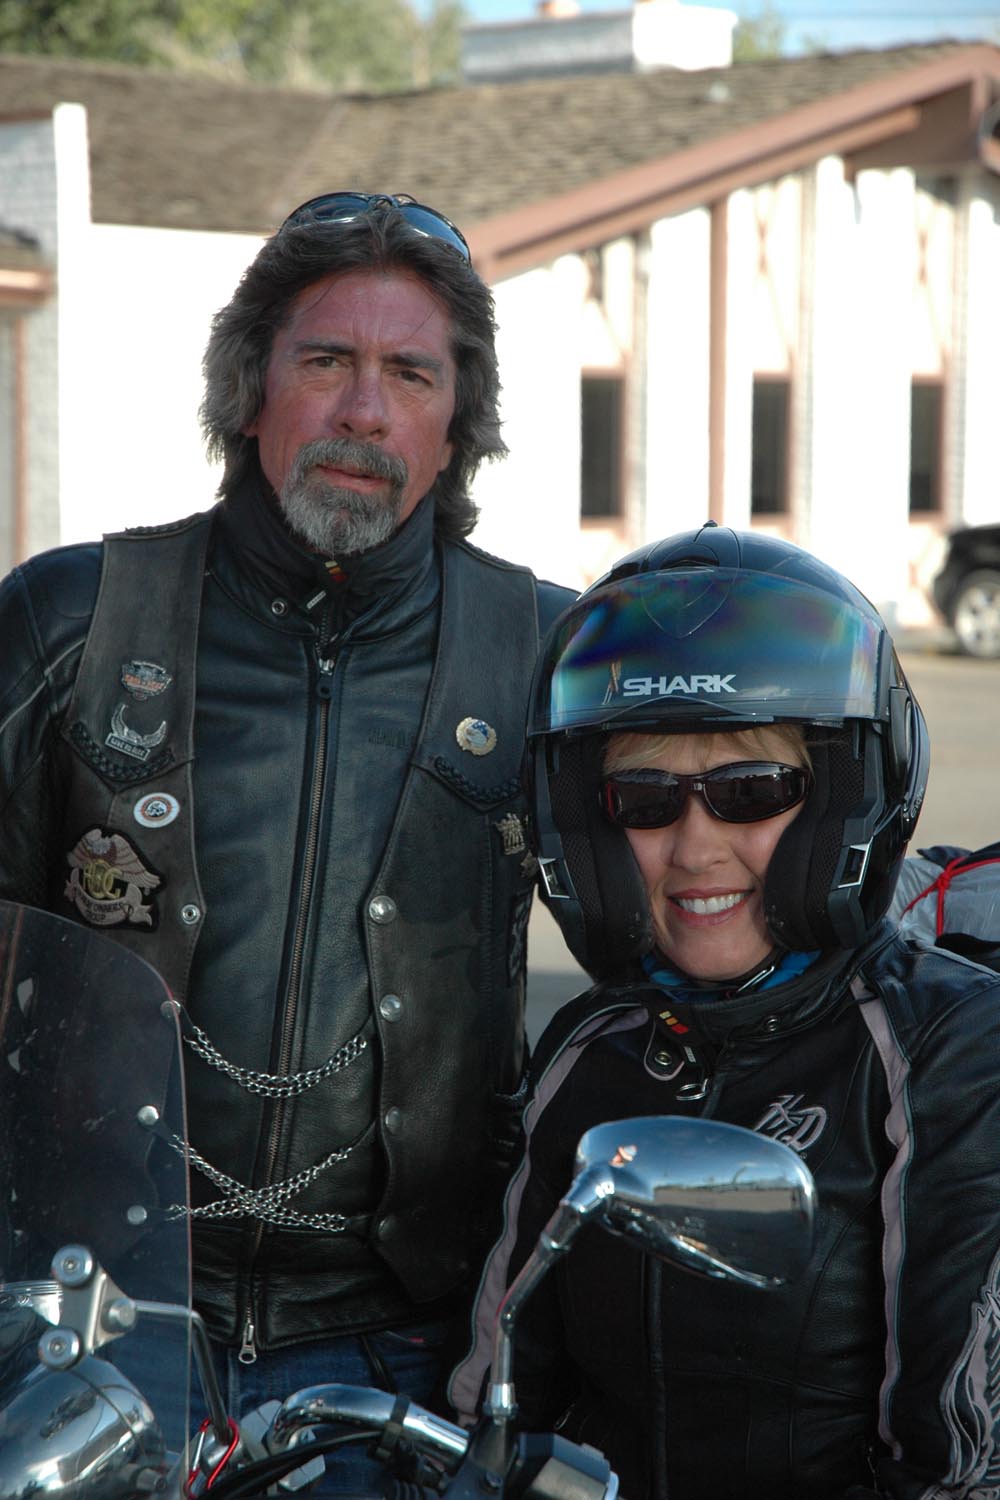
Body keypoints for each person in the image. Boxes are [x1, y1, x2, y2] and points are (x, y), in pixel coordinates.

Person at [0, 192, 574, 1485]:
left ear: (456, 425)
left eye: (410, 374)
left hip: (405, 1350)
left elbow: (682, 953)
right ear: (249, 390)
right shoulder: (69, 623)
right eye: (325, 361)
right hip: (89, 1321)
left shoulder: (547, 652)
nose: (363, 411)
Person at [451, 524, 1000, 1500]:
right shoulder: (592, 1047)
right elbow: (494, 1407)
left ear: (841, 800)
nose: (695, 848)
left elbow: (946, 1466)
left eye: (752, 791)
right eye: (642, 798)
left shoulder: (942, 1049)